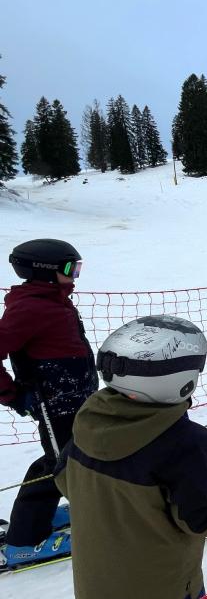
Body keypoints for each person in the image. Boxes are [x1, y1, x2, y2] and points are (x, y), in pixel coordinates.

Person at [55, 315, 207, 598]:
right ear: (180, 379)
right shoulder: (182, 440)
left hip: (95, 586)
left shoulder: (90, 421)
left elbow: (64, 481)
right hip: (163, 586)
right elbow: (204, 519)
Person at [0, 239, 98, 568]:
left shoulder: (52, 300)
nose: (76, 276)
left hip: (74, 399)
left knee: (70, 458)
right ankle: (24, 541)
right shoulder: (31, 307)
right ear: (43, 272)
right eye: (71, 269)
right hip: (54, 403)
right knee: (59, 465)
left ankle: (38, 517)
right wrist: (13, 394)